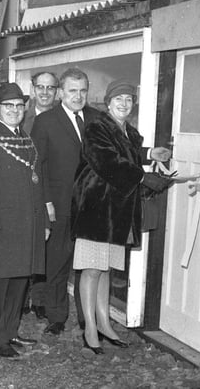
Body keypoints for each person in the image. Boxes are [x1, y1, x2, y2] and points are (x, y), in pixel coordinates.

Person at [71, 79, 157, 354]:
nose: (124, 103)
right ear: (108, 103)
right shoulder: (97, 126)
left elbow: (126, 153)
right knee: (92, 269)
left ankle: (105, 323)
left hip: (117, 211)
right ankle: (89, 328)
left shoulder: (128, 131)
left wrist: (150, 154)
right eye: (118, 99)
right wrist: (143, 176)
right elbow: (107, 160)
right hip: (96, 208)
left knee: (105, 268)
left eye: (128, 100)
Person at [0, 82, 49, 358]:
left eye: (18, 105)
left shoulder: (28, 141)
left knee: (20, 279)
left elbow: (39, 184)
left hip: (28, 224)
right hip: (1, 225)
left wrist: (45, 224)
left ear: (24, 108)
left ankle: (11, 330)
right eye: (8, 106)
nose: (14, 110)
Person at [30, 68, 99, 336]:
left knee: (87, 265)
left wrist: (149, 153)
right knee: (58, 263)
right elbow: (37, 166)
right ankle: (56, 316)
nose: (78, 96)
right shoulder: (46, 122)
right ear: (61, 93)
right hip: (59, 204)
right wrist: (46, 201)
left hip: (92, 206)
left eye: (82, 90)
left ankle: (87, 320)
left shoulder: (96, 118)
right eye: (72, 90)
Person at [21, 71, 60, 320]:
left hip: (53, 190)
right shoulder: (22, 119)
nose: (45, 92)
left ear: (56, 91)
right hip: (25, 191)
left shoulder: (61, 119)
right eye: (40, 87)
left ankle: (40, 299)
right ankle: (21, 297)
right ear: (33, 90)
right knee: (25, 244)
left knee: (47, 247)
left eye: (50, 87)